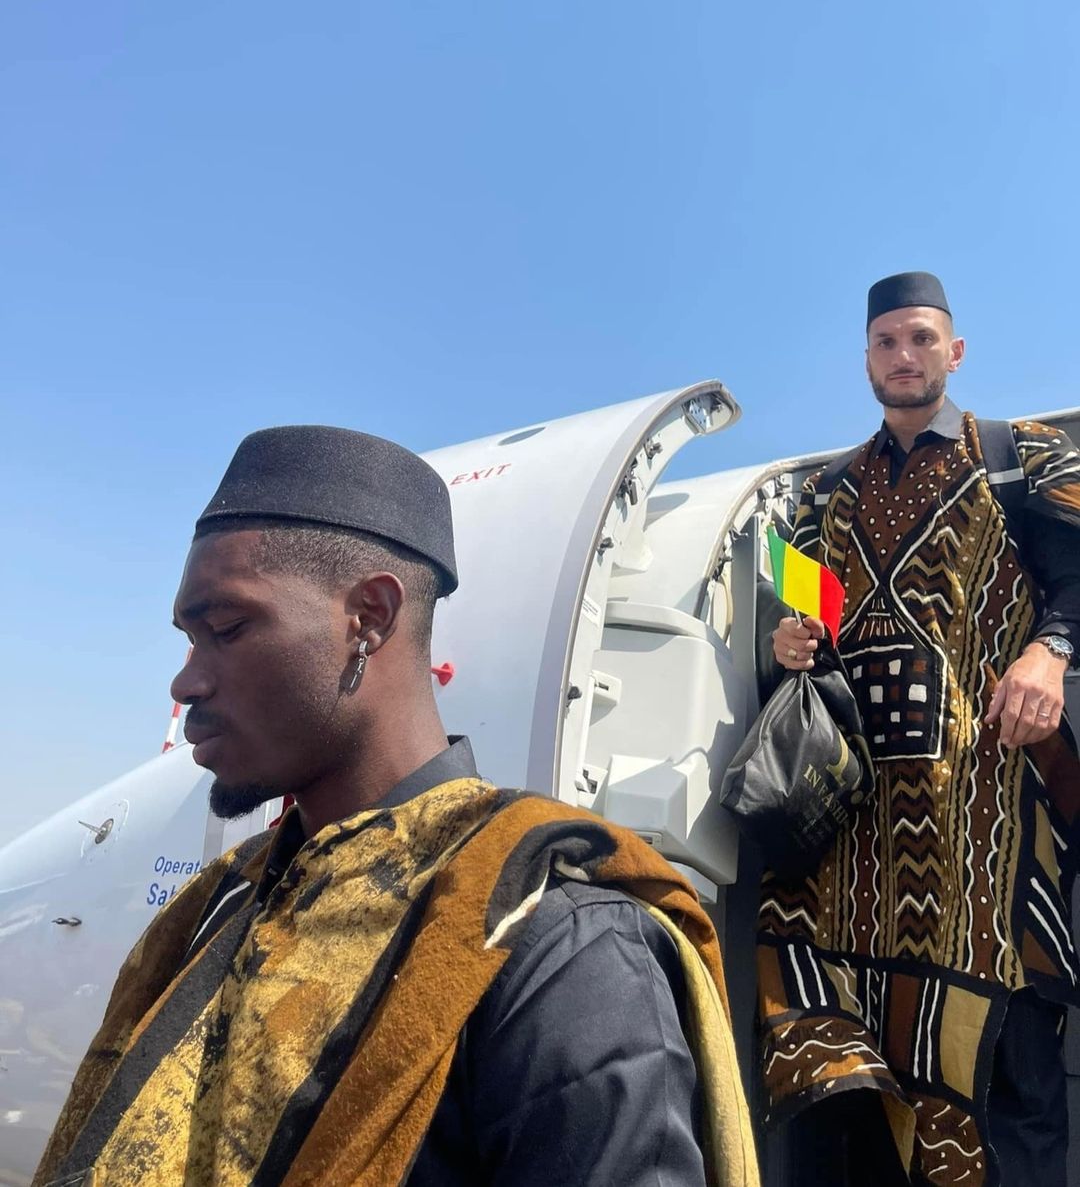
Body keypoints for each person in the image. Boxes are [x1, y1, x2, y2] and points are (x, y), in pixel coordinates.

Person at [34, 425, 759, 1187]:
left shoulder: (560, 949)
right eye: (188, 639)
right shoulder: (221, 912)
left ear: (370, 617)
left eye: (226, 629)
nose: (185, 685)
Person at [759, 272, 1080, 1185]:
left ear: (955, 351)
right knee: (847, 1096)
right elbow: (802, 614)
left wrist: (1049, 653)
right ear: (867, 359)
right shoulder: (820, 494)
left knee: (1007, 1070)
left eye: (923, 340)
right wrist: (792, 640)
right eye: (889, 343)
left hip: (988, 820)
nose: (906, 358)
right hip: (849, 843)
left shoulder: (1024, 455)